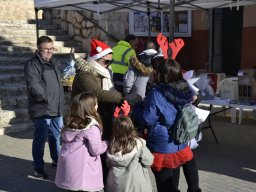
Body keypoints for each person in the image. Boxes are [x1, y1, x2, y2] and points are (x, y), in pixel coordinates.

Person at [133, 58, 195, 192]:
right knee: (173, 181)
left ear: (161, 74)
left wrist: (137, 108)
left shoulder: (157, 92)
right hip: (180, 140)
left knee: (165, 186)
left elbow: (148, 118)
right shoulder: (184, 88)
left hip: (163, 143)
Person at [24, 36, 65, 179]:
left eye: (51, 49)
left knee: (56, 135)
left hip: (57, 107)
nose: (49, 52)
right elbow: (34, 85)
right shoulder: (32, 64)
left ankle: (56, 159)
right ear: (38, 49)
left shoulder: (53, 62)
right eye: (46, 49)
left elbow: (56, 83)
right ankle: (38, 168)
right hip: (42, 108)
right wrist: (48, 99)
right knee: (40, 138)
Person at [55, 92, 108, 192]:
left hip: (69, 170)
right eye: (96, 104)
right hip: (84, 172)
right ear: (90, 107)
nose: (97, 106)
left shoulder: (69, 124)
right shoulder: (92, 127)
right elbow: (96, 150)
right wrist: (107, 143)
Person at [71, 39, 123, 140]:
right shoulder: (85, 74)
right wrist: (121, 97)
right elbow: (96, 93)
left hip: (101, 115)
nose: (108, 65)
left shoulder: (104, 72)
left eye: (110, 61)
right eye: (106, 61)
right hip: (85, 117)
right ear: (95, 60)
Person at [105, 101, 154, 192]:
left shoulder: (111, 146)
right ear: (131, 128)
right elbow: (149, 161)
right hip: (136, 186)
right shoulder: (138, 144)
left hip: (116, 186)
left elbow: (108, 164)